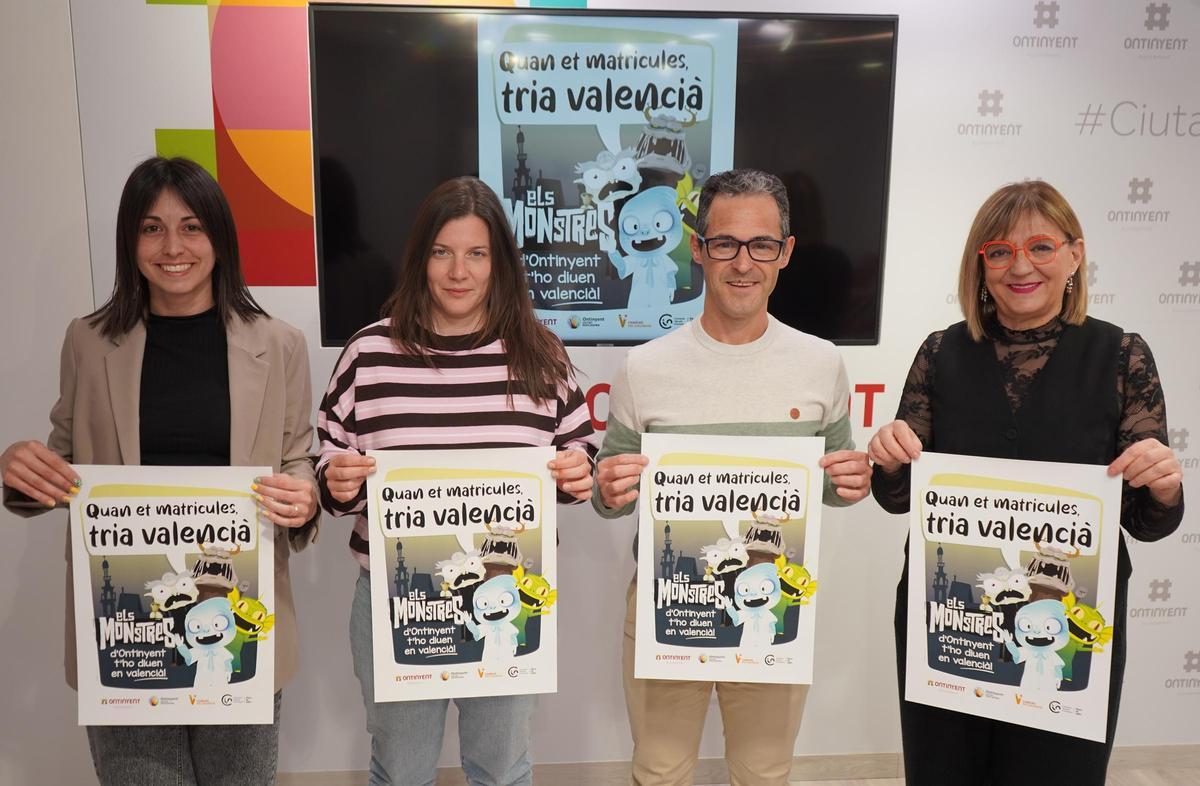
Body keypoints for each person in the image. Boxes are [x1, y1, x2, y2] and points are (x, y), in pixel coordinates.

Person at [0, 156, 320, 784]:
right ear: (130, 241)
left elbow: (297, 459)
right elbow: (63, 463)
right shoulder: (87, 341)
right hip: (125, 627)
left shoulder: (278, 343)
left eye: (192, 226)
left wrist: (303, 497)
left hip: (237, 612)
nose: (172, 246)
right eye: (151, 228)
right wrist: (21, 472)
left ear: (220, 239)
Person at [866, 180, 1184, 785]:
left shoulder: (1122, 355)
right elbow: (900, 496)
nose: (1021, 266)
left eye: (1040, 247)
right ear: (980, 264)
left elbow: (1146, 520)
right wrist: (889, 457)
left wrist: (1164, 484)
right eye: (1000, 251)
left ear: (1074, 255)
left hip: (1071, 615)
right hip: (952, 614)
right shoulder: (940, 352)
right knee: (945, 769)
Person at [592, 168, 873, 786]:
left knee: (764, 774)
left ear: (785, 254)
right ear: (698, 248)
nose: (743, 263)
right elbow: (610, 497)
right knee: (660, 772)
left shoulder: (821, 363)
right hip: (671, 603)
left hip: (773, 603)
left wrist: (852, 480)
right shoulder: (644, 368)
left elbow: (833, 480)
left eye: (762, 245)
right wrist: (606, 489)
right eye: (725, 244)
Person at [316, 176, 598, 786]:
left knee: (501, 768)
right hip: (397, 599)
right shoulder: (370, 354)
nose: (458, 272)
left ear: (500, 264)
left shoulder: (541, 355)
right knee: (402, 769)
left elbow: (580, 460)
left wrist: (578, 472)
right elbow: (329, 464)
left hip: (508, 595)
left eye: (477, 254)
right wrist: (334, 482)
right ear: (420, 259)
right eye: (442, 252)